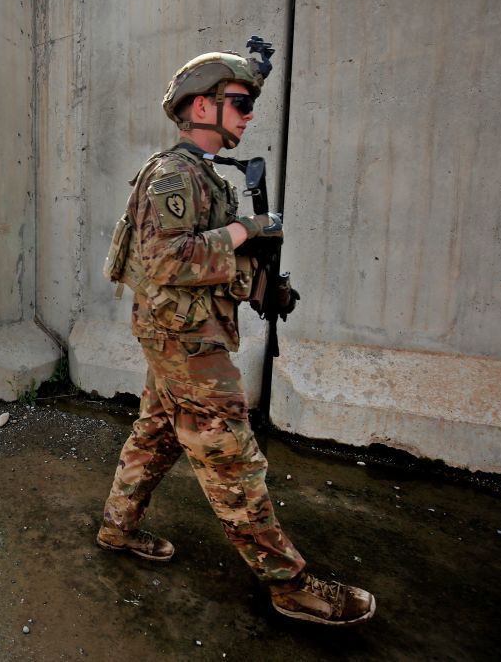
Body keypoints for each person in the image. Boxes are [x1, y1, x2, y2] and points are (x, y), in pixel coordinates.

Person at [97, 48, 376, 626]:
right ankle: (291, 584)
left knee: (156, 434)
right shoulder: (175, 174)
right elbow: (170, 260)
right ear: (202, 106)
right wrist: (248, 228)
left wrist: (264, 287)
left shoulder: (206, 175)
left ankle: (115, 528)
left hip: (181, 336)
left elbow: (210, 263)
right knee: (231, 459)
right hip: (186, 344)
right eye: (240, 104)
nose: (249, 116)